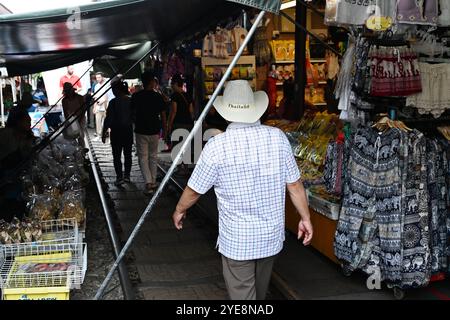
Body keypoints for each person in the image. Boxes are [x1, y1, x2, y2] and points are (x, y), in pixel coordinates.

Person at [172, 80, 313, 300]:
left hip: (237, 240)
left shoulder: (217, 146)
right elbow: (294, 184)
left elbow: (195, 189)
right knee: (260, 292)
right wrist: (305, 218)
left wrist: (179, 210)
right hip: (270, 238)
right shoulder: (277, 138)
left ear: (226, 113)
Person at [131, 71, 167, 195]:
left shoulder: (136, 96)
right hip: (155, 130)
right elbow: (163, 114)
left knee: (143, 157)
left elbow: (132, 113)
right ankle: (153, 181)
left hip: (141, 129)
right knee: (153, 156)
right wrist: (165, 129)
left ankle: (148, 182)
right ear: (152, 82)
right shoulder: (157, 96)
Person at [0, 107, 34, 221]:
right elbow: (11, 156)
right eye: (27, 121)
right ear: (18, 121)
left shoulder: (26, 135)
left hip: (18, 182)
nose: (29, 123)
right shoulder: (6, 135)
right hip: (7, 183)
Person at [102, 81, 133, 186]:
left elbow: (108, 119)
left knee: (117, 155)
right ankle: (127, 176)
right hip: (128, 131)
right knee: (128, 154)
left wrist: (104, 132)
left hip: (116, 132)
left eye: (113, 89)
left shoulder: (113, 102)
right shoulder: (130, 101)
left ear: (117, 90)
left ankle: (119, 177)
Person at [61, 82, 86, 147]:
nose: (68, 93)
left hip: (81, 117)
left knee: (80, 135)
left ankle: (83, 149)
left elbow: (83, 110)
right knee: (71, 136)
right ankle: (75, 151)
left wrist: (80, 120)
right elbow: (65, 112)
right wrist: (69, 122)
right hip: (71, 119)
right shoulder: (64, 100)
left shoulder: (80, 98)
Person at [93, 72, 111, 139]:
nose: (97, 79)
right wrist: (94, 107)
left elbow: (108, 95)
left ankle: (107, 135)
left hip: (106, 105)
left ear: (102, 77)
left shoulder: (107, 85)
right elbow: (95, 97)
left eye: (99, 77)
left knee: (107, 122)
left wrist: (103, 100)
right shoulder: (96, 86)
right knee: (98, 121)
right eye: (96, 77)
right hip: (98, 106)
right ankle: (98, 135)